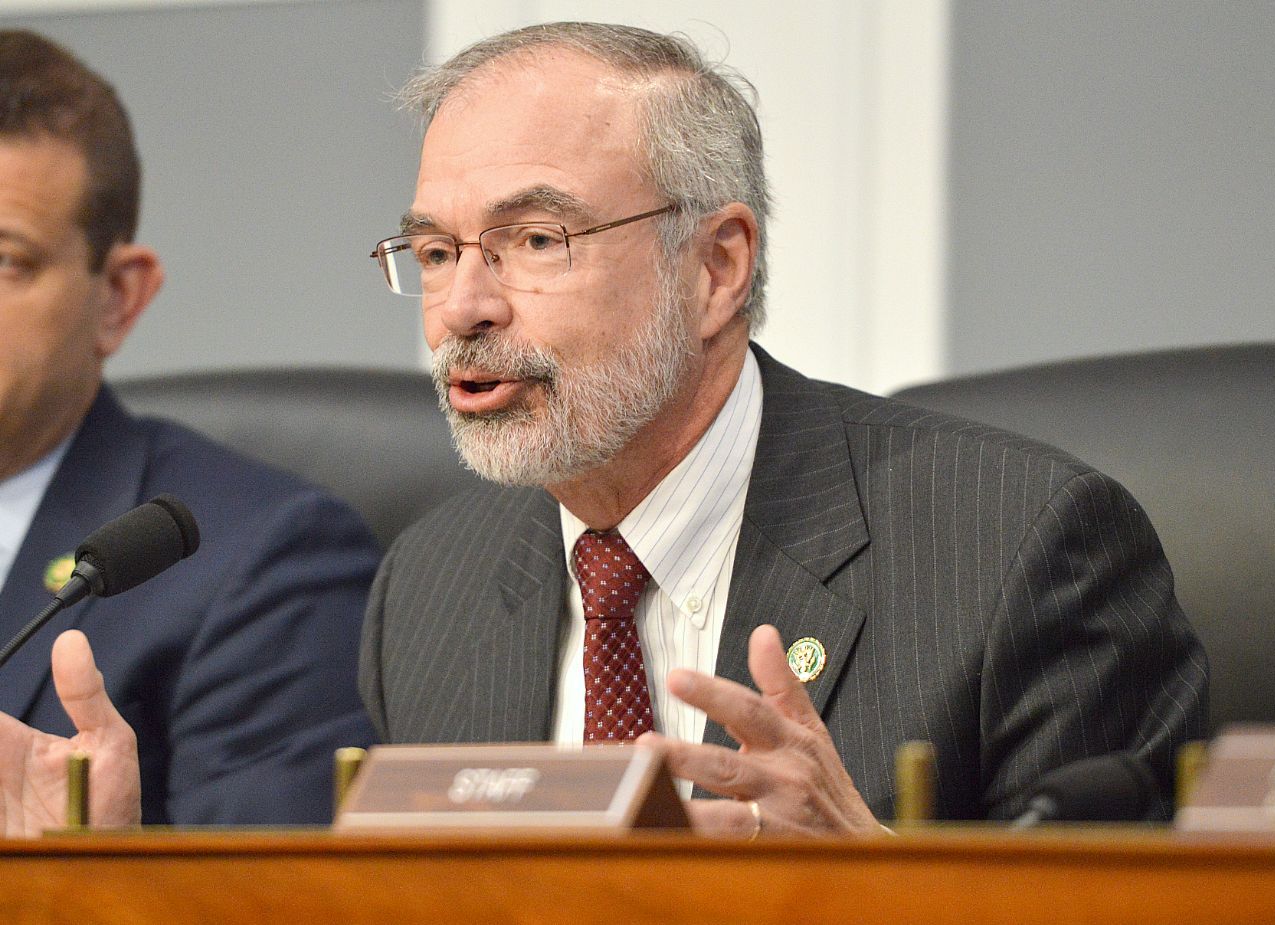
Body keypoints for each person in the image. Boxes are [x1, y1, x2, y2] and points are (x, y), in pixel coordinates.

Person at [3, 22, 1207, 837]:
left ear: (716, 267)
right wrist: (108, 881)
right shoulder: (431, 589)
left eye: (534, 241)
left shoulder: (1017, 549)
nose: (463, 308)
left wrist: (874, 891)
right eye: (435, 251)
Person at [0, 30, 378, 833]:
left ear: (118, 297)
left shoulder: (265, 562)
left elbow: (275, 896)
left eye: (6, 261)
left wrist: (85, 879)